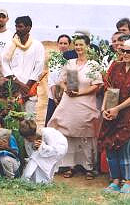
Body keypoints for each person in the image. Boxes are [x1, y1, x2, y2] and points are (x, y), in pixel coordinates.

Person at [48, 35, 103, 180]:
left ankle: (89, 167)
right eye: (76, 45)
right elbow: (61, 80)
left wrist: (80, 93)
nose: (79, 48)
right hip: (69, 103)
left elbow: (97, 85)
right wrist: (66, 89)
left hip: (85, 103)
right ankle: (70, 165)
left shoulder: (93, 65)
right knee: (68, 132)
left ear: (87, 47)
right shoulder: (70, 63)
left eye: (81, 45)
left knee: (86, 133)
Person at [99, 39, 130, 194]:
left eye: (129, 51)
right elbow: (108, 87)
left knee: (126, 148)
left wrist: (117, 109)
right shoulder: (115, 66)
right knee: (110, 146)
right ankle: (115, 180)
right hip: (111, 112)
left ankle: (127, 181)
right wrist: (104, 108)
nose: (125, 54)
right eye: (123, 51)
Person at [2, 16, 45, 114]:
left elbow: (39, 67)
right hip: (13, 88)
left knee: (28, 120)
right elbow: (4, 63)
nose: (17, 29)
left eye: (20, 26)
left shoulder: (37, 45)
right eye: (16, 26)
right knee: (11, 120)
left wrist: (27, 86)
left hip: (29, 90)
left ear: (29, 28)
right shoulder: (10, 44)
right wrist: (18, 83)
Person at [20, 119, 68, 183]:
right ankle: (31, 179)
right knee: (35, 159)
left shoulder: (47, 133)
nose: (28, 140)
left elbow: (55, 150)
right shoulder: (27, 139)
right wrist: (34, 148)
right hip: (44, 152)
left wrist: (43, 146)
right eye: (26, 138)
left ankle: (42, 181)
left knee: (38, 160)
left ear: (34, 134)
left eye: (29, 138)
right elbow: (30, 153)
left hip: (58, 149)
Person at [45, 34, 71, 125]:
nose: (63, 45)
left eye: (65, 43)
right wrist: (55, 97)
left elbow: (71, 80)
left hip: (67, 97)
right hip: (53, 96)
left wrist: (63, 94)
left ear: (69, 45)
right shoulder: (53, 59)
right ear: (57, 44)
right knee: (50, 123)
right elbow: (51, 79)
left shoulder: (72, 60)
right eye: (61, 43)